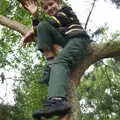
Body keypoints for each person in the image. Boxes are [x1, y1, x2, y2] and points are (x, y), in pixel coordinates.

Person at [21, 0, 92, 119]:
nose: (49, 8)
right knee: (42, 26)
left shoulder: (65, 10)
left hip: (78, 39)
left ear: (58, 3)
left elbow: (56, 20)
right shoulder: (53, 23)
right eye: (45, 7)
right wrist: (34, 16)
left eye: (51, 4)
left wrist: (31, 31)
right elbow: (41, 28)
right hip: (66, 41)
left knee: (60, 62)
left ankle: (57, 100)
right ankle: (50, 63)